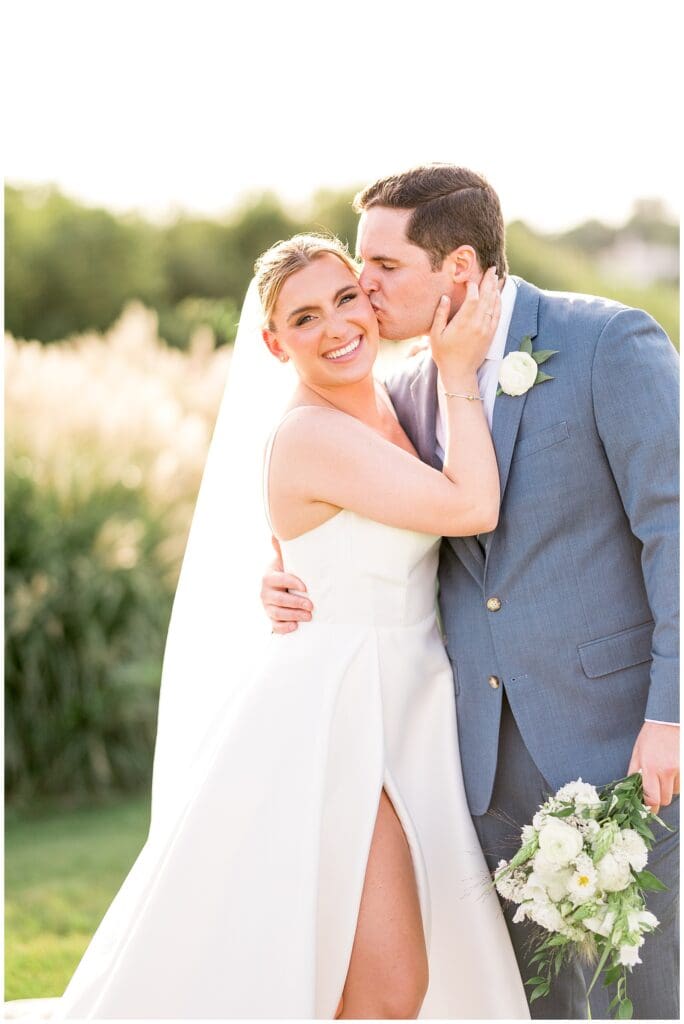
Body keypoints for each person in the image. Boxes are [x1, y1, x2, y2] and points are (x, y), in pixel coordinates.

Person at [54, 234, 530, 1020]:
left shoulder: (386, 403)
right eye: (305, 318)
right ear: (274, 342)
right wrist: (456, 369)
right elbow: (470, 507)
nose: (337, 325)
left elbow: (332, 547)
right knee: (389, 986)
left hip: (407, 696)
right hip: (339, 711)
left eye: (346, 298)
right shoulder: (312, 432)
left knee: (365, 971)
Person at [262, 165, 680, 1020]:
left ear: (456, 270)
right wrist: (282, 574)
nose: (362, 288)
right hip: (473, 767)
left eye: (380, 267)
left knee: (655, 987)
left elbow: (675, 533)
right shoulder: (404, 391)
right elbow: (359, 522)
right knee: (531, 998)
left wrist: (671, 716)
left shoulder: (607, 342)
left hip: (628, 746)